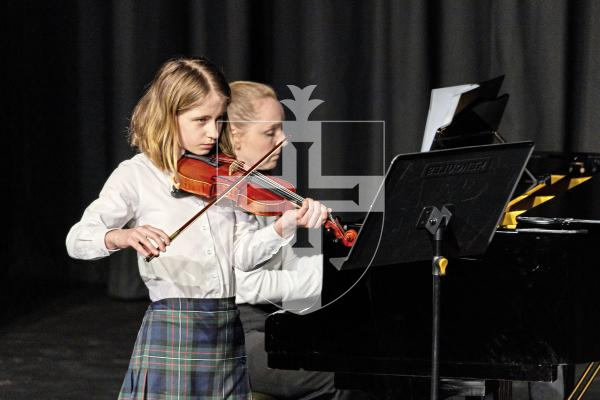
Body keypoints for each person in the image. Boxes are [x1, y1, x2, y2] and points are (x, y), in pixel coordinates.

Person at [65, 57, 328, 400]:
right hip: (174, 327)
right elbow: (78, 239)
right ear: (168, 116)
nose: (211, 132)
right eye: (200, 120)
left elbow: (243, 257)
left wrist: (282, 227)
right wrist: (121, 236)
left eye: (219, 121)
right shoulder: (137, 175)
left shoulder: (225, 178)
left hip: (226, 328)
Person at [221, 80, 374, 400]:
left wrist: (342, 271)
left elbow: (293, 273)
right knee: (343, 381)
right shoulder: (221, 200)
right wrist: (322, 281)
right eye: (270, 132)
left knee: (370, 364)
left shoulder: (267, 192)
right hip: (232, 334)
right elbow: (246, 286)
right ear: (235, 136)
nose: (283, 140)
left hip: (279, 324)